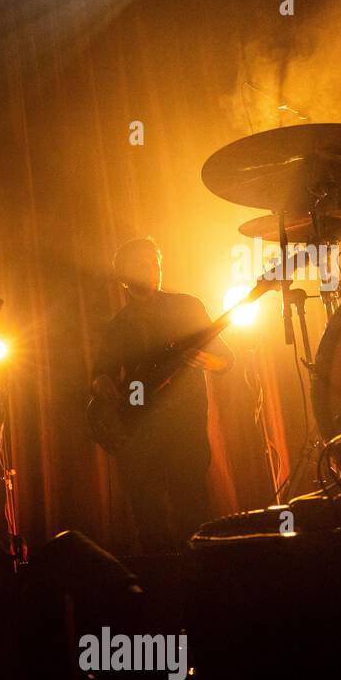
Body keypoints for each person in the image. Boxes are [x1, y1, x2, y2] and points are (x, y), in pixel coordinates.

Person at [91, 237, 233, 552]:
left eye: (154, 262)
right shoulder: (119, 325)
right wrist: (104, 388)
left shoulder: (187, 306)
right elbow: (101, 375)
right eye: (141, 263)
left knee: (192, 509)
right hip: (139, 430)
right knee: (149, 520)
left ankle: (199, 581)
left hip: (186, 424)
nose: (151, 269)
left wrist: (206, 359)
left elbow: (224, 359)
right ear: (123, 275)